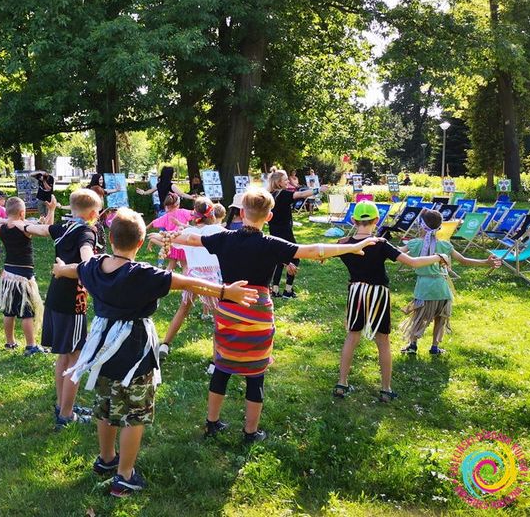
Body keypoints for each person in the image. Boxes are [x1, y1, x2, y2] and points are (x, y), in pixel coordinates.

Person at [55, 208, 258, 497]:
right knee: (134, 414)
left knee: (106, 405)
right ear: (140, 243)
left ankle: (106, 458)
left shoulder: (95, 267)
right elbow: (187, 282)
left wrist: (61, 269)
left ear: (110, 238)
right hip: (135, 352)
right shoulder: (143, 274)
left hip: (101, 351)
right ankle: (125, 476)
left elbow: (76, 268)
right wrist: (225, 292)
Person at [156, 187, 377, 443]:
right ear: (269, 216)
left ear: (241, 213)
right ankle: (251, 433)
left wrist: (169, 235)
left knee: (222, 368)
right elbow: (312, 250)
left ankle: (212, 423)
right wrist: (352, 247)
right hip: (259, 316)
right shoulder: (272, 244)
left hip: (228, 311)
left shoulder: (224, 238)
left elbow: (193, 239)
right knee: (255, 376)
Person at [332, 201, 446, 402]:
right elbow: (413, 262)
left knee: (352, 336)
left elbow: (323, 253)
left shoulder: (344, 245)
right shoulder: (381, 244)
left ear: (353, 220)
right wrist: (438, 256)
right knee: (383, 340)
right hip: (379, 293)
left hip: (356, 292)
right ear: (377, 220)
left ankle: (342, 383)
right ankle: (385, 389)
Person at [13, 189, 99, 429]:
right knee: (76, 358)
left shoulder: (63, 227)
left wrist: (18, 223)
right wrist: (92, 265)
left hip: (55, 296)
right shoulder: (87, 232)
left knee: (64, 355)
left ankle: (63, 406)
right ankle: (67, 414)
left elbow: (39, 229)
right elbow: (86, 256)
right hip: (73, 303)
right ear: (93, 213)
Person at [398, 209, 501, 356]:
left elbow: (397, 252)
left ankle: (413, 345)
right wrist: (485, 262)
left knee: (419, 317)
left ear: (421, 226)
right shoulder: (445, 245)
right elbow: (464, 260)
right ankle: (434, 347)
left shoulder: (413, 244)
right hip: (442, 287)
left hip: (424, 288)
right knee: (440, 318)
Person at [0, 196, 50, 356]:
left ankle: (10, 342)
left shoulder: (1, 228)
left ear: (7, 212)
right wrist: (52, 210)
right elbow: (46, 230)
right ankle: (31, 346)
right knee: (27, 312)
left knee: (9, 311)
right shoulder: (25, 228)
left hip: (7, 274)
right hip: (23, 277)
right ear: (22, 213)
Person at [158, 197, 226, 372]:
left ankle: (165, 344)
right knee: (218, 318)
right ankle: (215, 362)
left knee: (183, 309)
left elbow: (171, 242)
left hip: (192, 276)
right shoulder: (218, 230)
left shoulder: (188, 232)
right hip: (212, 278)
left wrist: (159, 238)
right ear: (212, 214)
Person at [267, 169, 330, 299]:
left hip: (274, 231)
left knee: (279, 260)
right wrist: (319, 189)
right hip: (285, 232)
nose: (288, 181)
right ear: (279, 182)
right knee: (295, 258)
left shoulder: (269, 195)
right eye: (285, 180)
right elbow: (301, 194)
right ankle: (288, 290)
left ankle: (275, 290)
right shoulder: (283, 194)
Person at [146, 193, 195, 272]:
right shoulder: (183, 212)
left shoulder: (166, 216)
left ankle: (163, 279)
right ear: (178, 204)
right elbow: (195, 214)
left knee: (171, 265)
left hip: (172, 244)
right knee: (185, 266)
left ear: (166, 206)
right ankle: (184, 281)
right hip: (183, 244)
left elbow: (153, 223)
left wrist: (144, 229)